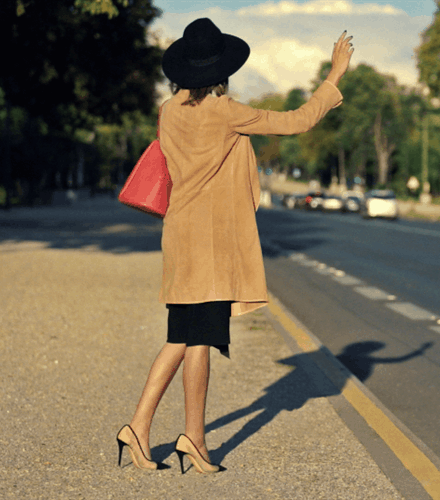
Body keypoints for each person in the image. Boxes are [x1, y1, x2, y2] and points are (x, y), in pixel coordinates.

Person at [116, 18, 354, 474]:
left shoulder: (168, 111)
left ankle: (155, 431)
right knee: (194, 340)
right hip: (211, 245)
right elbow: (298, 121)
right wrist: (334, 75)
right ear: (221, 71)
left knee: (185, 338)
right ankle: (177, 435)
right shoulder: (225, 112)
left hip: (179, 237)